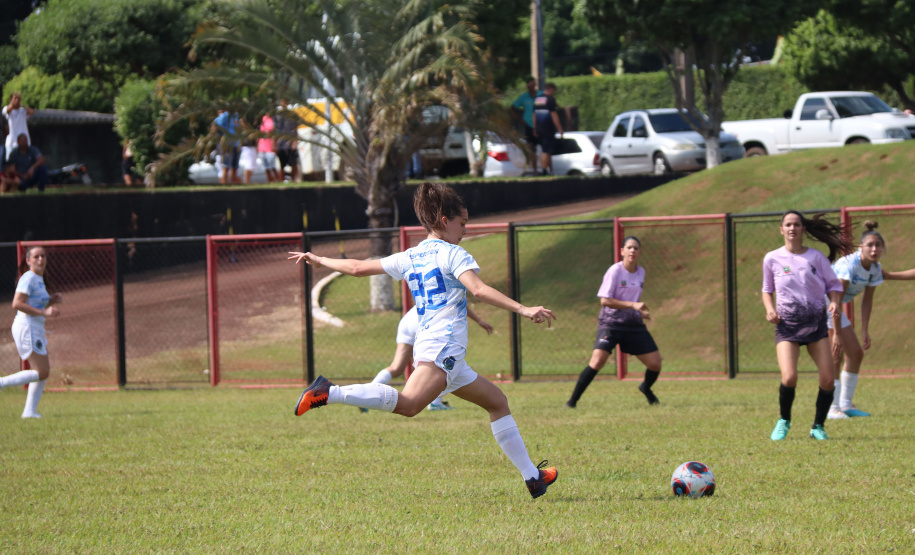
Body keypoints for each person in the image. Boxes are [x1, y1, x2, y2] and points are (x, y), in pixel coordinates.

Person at [288, 182, 559, 499]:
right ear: (445, 220)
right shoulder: (453, 253)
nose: (464, 230)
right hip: (443, 348)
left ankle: (533, 478)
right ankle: (328, 392)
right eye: (463, 223)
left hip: (443, 353)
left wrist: (321, 260)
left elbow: (358, 267)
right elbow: (480, 291)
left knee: (497, 402)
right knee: (410, 405)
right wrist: (524, 308)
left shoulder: (410, 256)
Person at [762, 211, 853, 441]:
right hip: (787, 326)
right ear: (781, 230)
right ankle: (784, 420)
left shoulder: (816, 258)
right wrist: (770, 309)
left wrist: (833, 301)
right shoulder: (771, 258)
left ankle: (818, 427)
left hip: (815, 326)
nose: (792, 228)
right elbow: (767, 289)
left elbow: (833, 285)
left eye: (797, 224)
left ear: (803, 229)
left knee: (827, 378)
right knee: (790, 377)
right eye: (788, 224)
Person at [565, 236, 664, 408]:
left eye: (636, 248)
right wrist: (633, 305)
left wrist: (640, 312)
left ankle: (646, 388)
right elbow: (605, 300)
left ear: (639, 252)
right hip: (610, 323)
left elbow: (633, 299)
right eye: (629, 247)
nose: (633, 251)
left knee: (655, 364)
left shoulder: (641, 272)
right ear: (622, 251)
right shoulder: (615, 271)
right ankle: (572, 402)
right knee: (597, 361)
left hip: (633, 324)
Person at [363, 304, 494, 413]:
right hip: (426, 320)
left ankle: (367, 395)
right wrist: (479, 320)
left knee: (396, 368)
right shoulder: (452, 277)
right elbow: (461, 301)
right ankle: (435, 403)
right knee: (439, 365)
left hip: (409, 319)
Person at [826, 221, 886, 420]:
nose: (874, 249)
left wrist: (865, 331)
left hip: (833, 307)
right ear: (861, 246)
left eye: (878, 245)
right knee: (836, 354)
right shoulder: (849, 265)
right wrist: (837, 334)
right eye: (870, 245)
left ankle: (845, 404)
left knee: (856, 353)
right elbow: (836, 298)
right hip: (822, 304)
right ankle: (832, 408)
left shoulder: (875, 268)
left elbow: (867, 302)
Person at [0, 246, 62, 418]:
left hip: (34, 328)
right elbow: (17, 303)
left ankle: (29, 411)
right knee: (42, 371)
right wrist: (44, 312)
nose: (40, 259)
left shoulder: (38, 279)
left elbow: (35, 304)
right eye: (36, 257)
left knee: (42, 372)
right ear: (28, 261)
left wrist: (50, 301)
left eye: (43, 256)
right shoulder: (28, 278)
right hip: (27, 328)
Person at [511, 76, 542, 174]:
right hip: (529, 125)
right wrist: (520, 119)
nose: (531, 86)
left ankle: (546, 169)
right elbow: (513, 107)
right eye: (529, 84)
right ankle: (534, 169)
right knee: (531, 148)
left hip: (541, 124)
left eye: (532, 84)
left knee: (544, 147)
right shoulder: (524, 97)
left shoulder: (540, 95)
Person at [532, 82, 563, 175]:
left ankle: (550, 170)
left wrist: (535, 128)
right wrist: (560, 128)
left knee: (547, 150)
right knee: (546, 151)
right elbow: (554, 115)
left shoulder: (538, 99)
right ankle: (545, 171)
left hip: (539, 128)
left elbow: (534, 115)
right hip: (547, 128)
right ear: (551, 90)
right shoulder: (550, 99)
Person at [274, 100, 301, 182]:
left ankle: (292, 180)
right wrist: (274, 143)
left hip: (291, 143)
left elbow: (296, 129)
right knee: (281, 165)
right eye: (282, 101)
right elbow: (274, 130)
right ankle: (282, 181)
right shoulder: (277, 116)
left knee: (294, 164)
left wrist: (295, 141)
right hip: (281, 144)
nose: (283, 103)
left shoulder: (293, 115)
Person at [2, 92, 34, 160]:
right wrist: (13, 105)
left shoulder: (22, 110)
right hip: (11, 142)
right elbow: (7, 110)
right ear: (11, 100)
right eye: (15, 99)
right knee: (10, 161)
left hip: (24, 142)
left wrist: (22, 106)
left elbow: (31, 111)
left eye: (18, 99)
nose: (17, 101)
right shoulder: (6, 109)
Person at [212, 110, 241, 184]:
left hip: (236, 144)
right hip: (228, 145)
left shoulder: (236, 115)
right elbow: (215, 124)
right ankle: (224, 188)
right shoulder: (226, 115)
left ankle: (234, 188)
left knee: (235, 168)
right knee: (226, 167)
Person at [258, 114, 282, 182]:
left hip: (270, 147)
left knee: (272, 166)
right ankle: (270, 181)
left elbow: (274, 134)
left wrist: (274, 144)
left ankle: (278, 180)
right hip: (262, 146)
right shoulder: (264, 118)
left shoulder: (274, 119)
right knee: (266, 167)